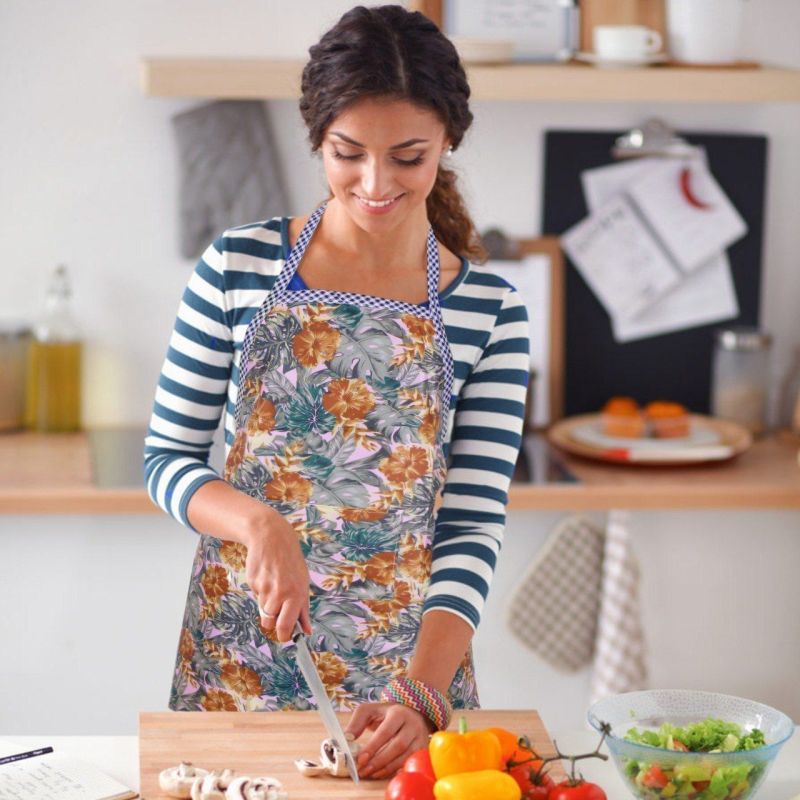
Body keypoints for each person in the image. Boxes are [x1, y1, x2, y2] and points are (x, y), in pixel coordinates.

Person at [144, 3, 530, 780]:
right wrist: (258, 524)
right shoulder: (236, 266)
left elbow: (470, 525)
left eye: (408, 156)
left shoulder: (491, 309)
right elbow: (167, 459)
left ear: (448, 141)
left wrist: (422, 693)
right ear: (317, 136)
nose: (376, 182)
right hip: (238, 658)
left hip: (406, 680)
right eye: (348, 153)